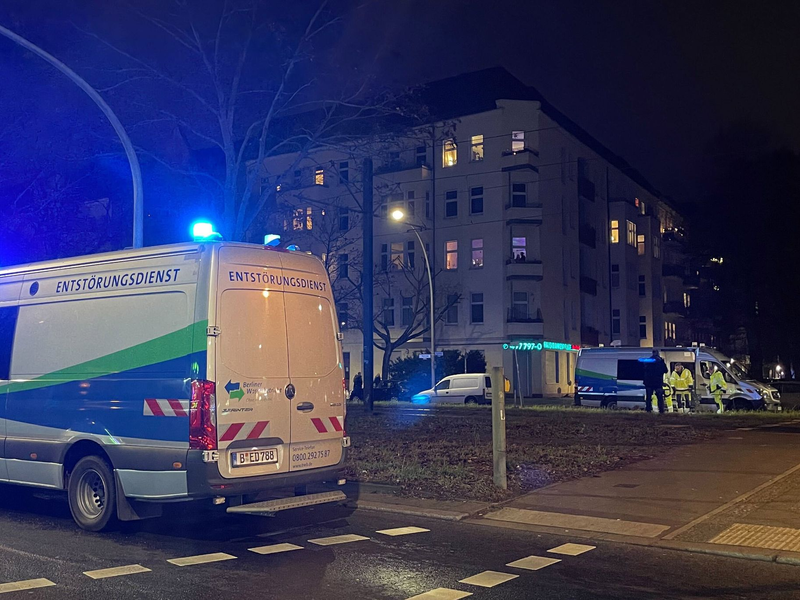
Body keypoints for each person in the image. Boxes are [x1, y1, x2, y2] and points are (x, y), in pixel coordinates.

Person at [643, 350, 668, 414]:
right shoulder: (660, 361)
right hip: (658, 382)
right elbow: (666, 370)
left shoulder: (648, 361)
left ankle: (648, 410)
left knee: (649, 397)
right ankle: (661, 410)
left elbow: (643, 370)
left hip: (649, 382)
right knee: (659, 397)